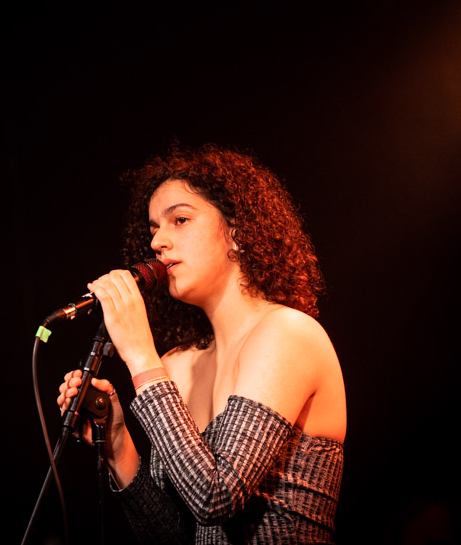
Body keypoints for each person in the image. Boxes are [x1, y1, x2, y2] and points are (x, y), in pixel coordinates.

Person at [56, 143, 347, 543]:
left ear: (237, 232)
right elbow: (172, 536)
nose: (158, 242)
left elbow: (215, 497)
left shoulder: (289, 333)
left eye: (180, 220)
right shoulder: (176, 364)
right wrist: (118, 444)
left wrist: (139, 352)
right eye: (154, 229)